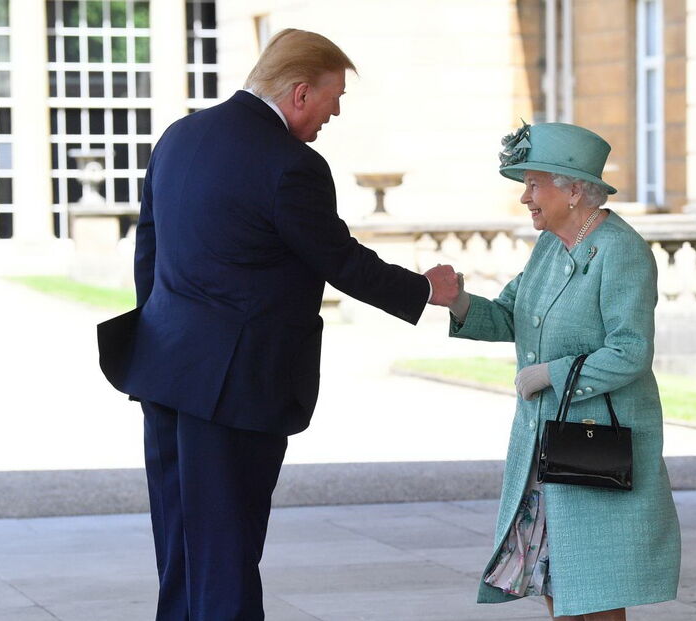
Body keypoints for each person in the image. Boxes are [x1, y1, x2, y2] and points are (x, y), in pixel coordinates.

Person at [97, 29, 459, 621]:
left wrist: (163, 337)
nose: (333, 114)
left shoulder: (179, 137)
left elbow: (150, 254)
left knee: (182, 551)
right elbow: (339, 259)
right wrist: (426, 289)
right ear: (298, 93)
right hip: (235, 389)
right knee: (229, 550)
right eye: (332, 99)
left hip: (164, 372)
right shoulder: (292, 165)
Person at [447, 122, 681, 620]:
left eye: (534, 184)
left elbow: (630, 351)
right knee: (556, 575)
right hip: (547, 443)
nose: (525, 198)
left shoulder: (621, 251)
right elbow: (511, 314)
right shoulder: (551, 247)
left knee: (595, 584)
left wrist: (552, 374)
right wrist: (457, 300)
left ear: (573, 190)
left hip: (595, 442)